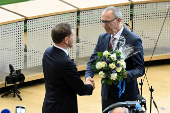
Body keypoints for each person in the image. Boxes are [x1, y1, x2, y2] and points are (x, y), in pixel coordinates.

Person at [85, 6, 145, 111]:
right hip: (106, 95)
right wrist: (88, 77)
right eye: (102, 22)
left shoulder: (133, 40)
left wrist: (125, 74)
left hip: (125, 96)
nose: (104, 25)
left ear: (118, 20)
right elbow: (92, 61)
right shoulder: (102, 38)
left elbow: (140, 69)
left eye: (107, 22)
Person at [42, 23, 95, 113]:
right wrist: (89, 85)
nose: (74, 38)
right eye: (73, 36)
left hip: (48, 105)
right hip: (63, 108)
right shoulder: (67, 64)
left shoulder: (47, 52)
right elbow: (81, 90)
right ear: (66, 40)